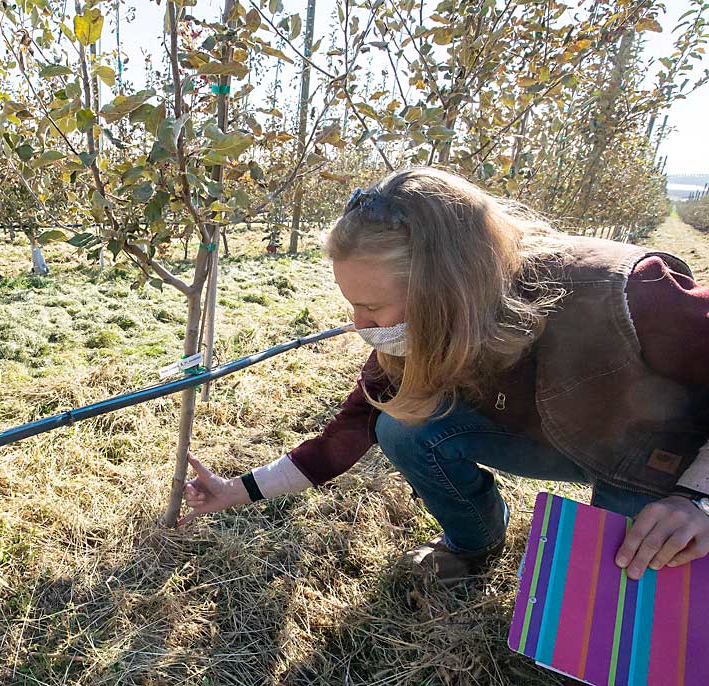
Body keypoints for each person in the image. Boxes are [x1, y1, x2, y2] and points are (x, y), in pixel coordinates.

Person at [177, 166, 709, 586]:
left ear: (444, 289)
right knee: (402, 426)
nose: (358, 325)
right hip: (562, 440)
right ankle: (474, 539)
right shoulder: (424, 331)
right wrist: (235, 490)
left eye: (370, 307)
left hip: (652, 461)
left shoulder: (623, 292)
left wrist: (695, 500)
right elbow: (350, 430)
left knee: (630, 584)